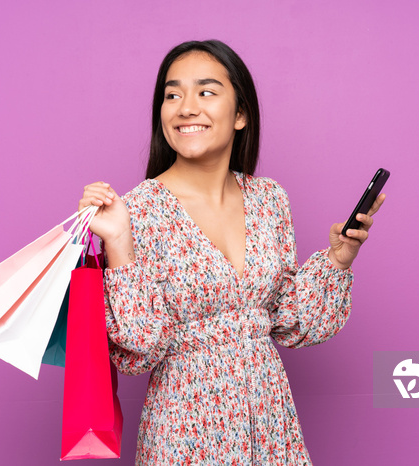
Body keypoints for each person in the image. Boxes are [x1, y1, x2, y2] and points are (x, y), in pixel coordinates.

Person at [78, 40, 385, 466]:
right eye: (172, 94)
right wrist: (118, 241)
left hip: (270, 421)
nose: (186, 107)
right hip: (185, 430)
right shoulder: (135, 210)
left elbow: (289, 323)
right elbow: (138, 349)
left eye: (206, 92)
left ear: (240, 114)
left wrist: (339, 258)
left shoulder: (269, 199)